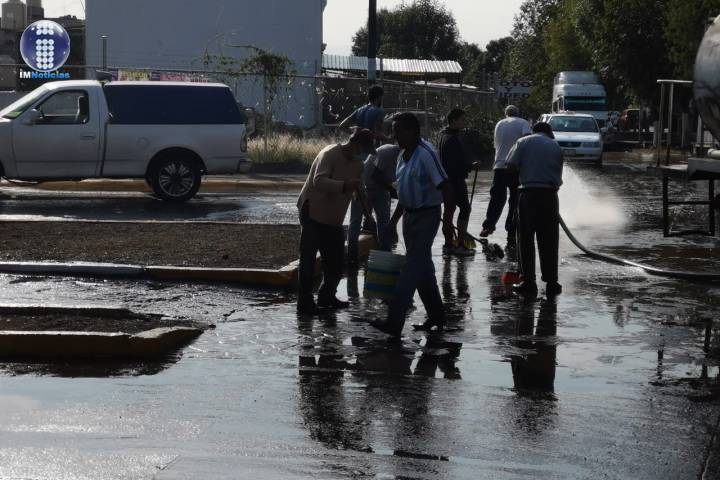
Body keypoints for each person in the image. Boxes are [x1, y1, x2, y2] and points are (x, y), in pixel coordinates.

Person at [370, 113, 452, 337]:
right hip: (409, 216)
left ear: (414, 132)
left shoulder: (427, 154)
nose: (395, 136)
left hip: (427, 216)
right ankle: (437, 316)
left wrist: (448, 223)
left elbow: (446, 186)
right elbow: (404, 193)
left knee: (410, 269)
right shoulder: (402, 155)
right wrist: (392, 223)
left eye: (399, 132)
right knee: (423, 270)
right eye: (394, 131)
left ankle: (394, 322)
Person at [296, 129, 376, 314]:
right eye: (363, 149)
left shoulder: (358, 164)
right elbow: (319, 181)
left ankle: (327, 296)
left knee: (336, 261)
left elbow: (359, 190)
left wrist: (368, 215)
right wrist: (344, 186)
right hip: (312, 213)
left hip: (333, 219)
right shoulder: (329, 154)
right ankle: (305, 302)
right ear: (355, 144)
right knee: (308, 260)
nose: (363, 154)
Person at [506, 122, 564, 297]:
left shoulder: (523, 142)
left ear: (534, 131)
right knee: (549, 239)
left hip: (528, 195)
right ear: (549, 133)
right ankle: (552, 282)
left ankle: (529, 282)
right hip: (550, 196)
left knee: (525, 238)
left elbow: (510, 164)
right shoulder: (555, 145)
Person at [479, 105, 532, 247]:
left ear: (506, 114)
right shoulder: (523, 123)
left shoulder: (499, 124)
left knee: (496, 198)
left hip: (499, 166)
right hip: (515, 167)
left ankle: (488, 226)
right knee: (515, 200)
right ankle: (511, 230)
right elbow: (527, 140)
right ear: (518, 113)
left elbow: (497, 145)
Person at [347, 143, 401, 266]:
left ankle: (385, 258)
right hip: (363, 187)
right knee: (356, 222)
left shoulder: (406, 158)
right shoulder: (387, 152)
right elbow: (376, 175)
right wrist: (394, 192)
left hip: (380, 190)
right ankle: (352, 256)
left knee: (383, 222)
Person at [438, 108, 475, 256]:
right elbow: (455, 164)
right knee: (465, 209)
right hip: (454, 180)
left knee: (449, 211)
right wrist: (471, 166)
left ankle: (449, 244)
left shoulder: (444, 135)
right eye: (462, 120)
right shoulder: (451, 138)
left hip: (447, 181)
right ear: (454, 121)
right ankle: (460, 244)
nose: (464, 122)